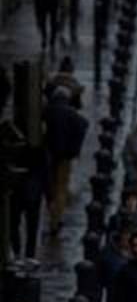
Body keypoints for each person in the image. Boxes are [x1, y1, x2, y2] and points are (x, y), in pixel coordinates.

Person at [43, 87, 88, 235]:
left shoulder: (47, 111)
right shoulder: (72, 114)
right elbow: (83, 124)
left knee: (49, 187)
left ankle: (53, 214)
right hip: (64, 158)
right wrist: (74, 149)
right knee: (60, 188)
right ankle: (56, 219)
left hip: (47, 155)